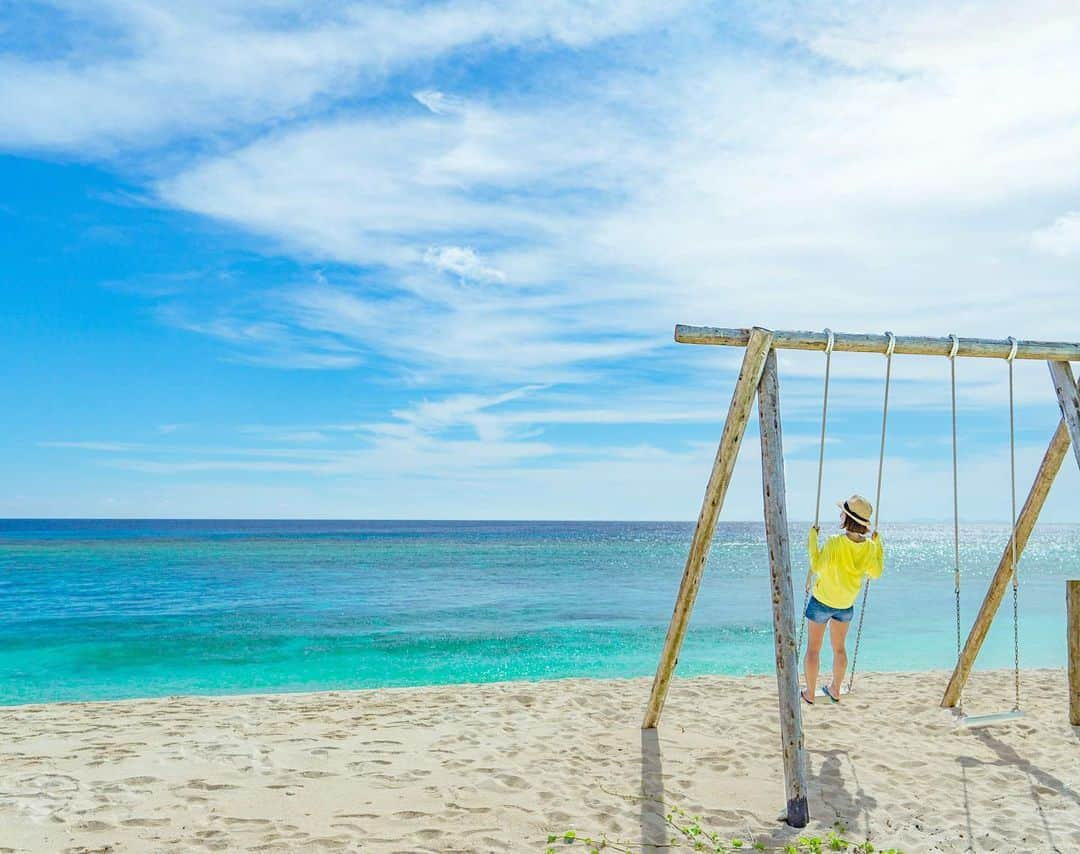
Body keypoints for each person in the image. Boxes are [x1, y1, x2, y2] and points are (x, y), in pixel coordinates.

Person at [800, 494, 884, 705]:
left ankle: (810, 693)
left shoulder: (834, 543)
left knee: (813, 649)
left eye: (843, 513)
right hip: (845, 606)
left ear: (847, 519)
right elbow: (875, 573)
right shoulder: (870, 548)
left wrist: (812, 538)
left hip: (821, 602)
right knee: (839, 648)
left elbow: (817, 566)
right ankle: (835, 689)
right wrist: (878, 544)